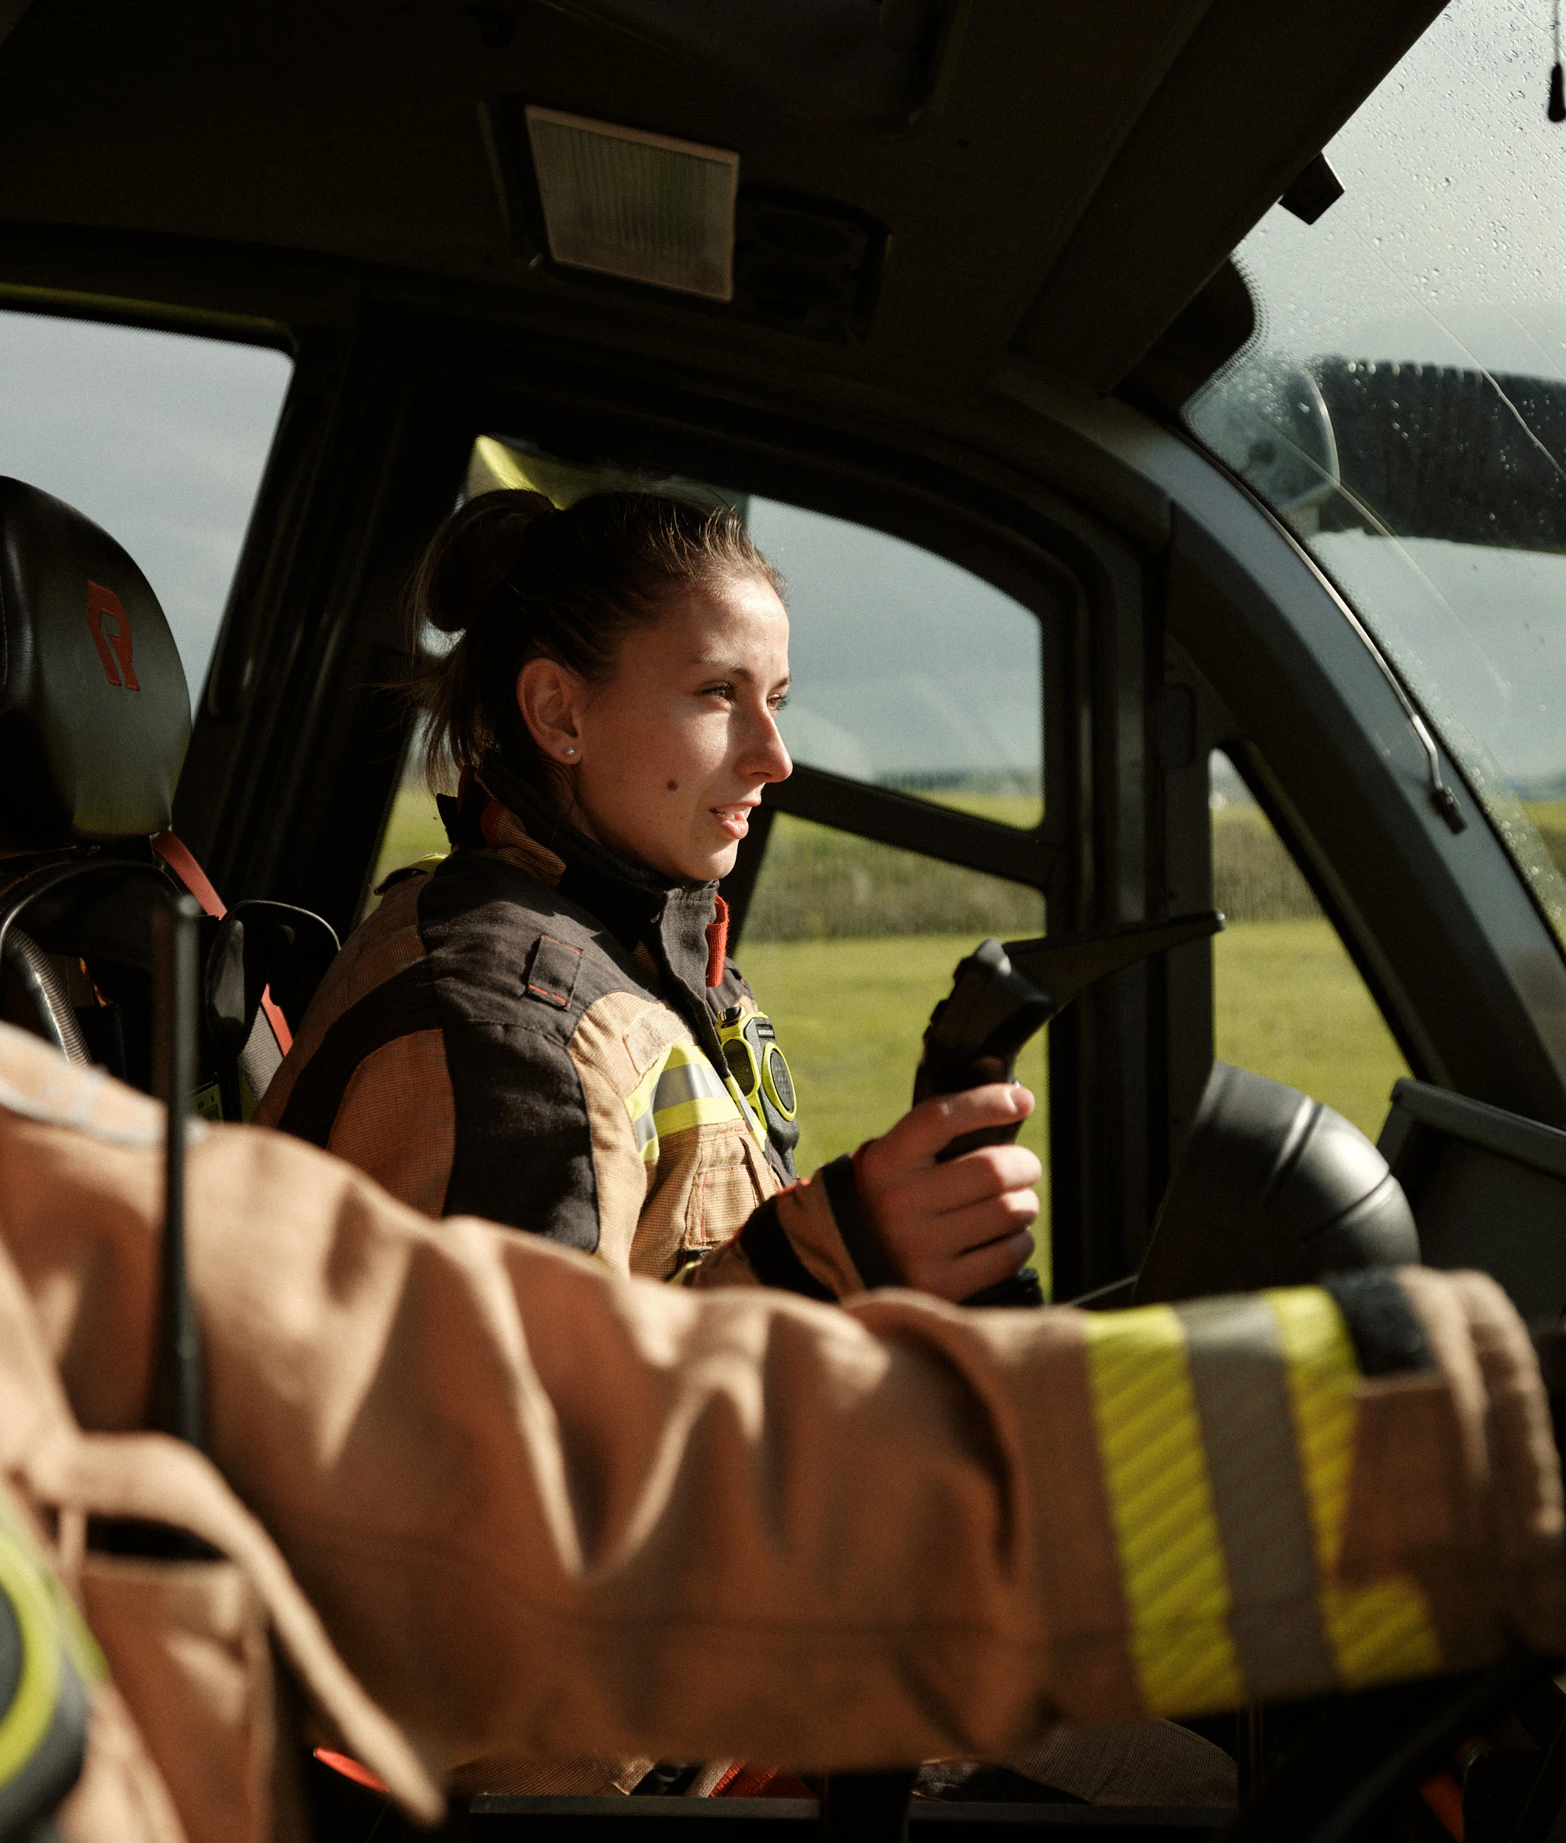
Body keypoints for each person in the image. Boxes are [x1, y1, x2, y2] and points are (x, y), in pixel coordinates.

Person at [0, 5, 1566, 1843]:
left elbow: (556, 1444)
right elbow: (525, 1636)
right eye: (721, 702)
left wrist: (1522, 1447)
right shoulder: (482, 1007)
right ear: (555, 719)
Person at [258, 486, 1042, 1308]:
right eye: (718, 693)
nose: (774, 758)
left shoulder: (629, 945)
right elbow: (519, 1424)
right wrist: (831, 1256)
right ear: (560, 713)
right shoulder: (507, 1026)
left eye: (774, 700)